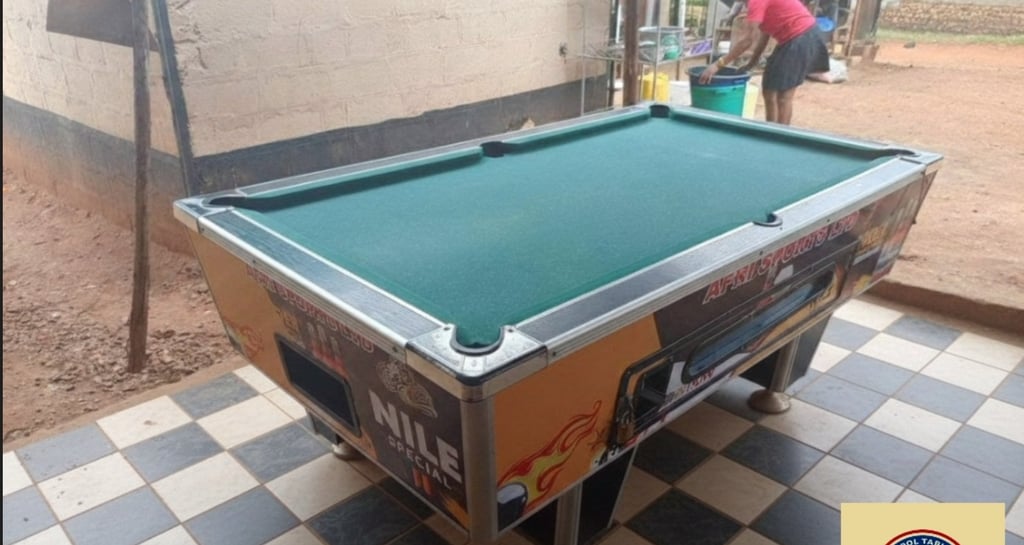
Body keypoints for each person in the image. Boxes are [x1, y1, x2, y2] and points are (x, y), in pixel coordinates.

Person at [699, 0, 830, 125]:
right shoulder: (754, 4)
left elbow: (747, 40)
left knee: (784, 95)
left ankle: (781, 136)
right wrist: (753, 61)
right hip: (793, 38)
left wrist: (718, 64)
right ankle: (770, 130)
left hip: (801, 36)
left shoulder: (756, 2)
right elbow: (764, 34)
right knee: (769, 89)